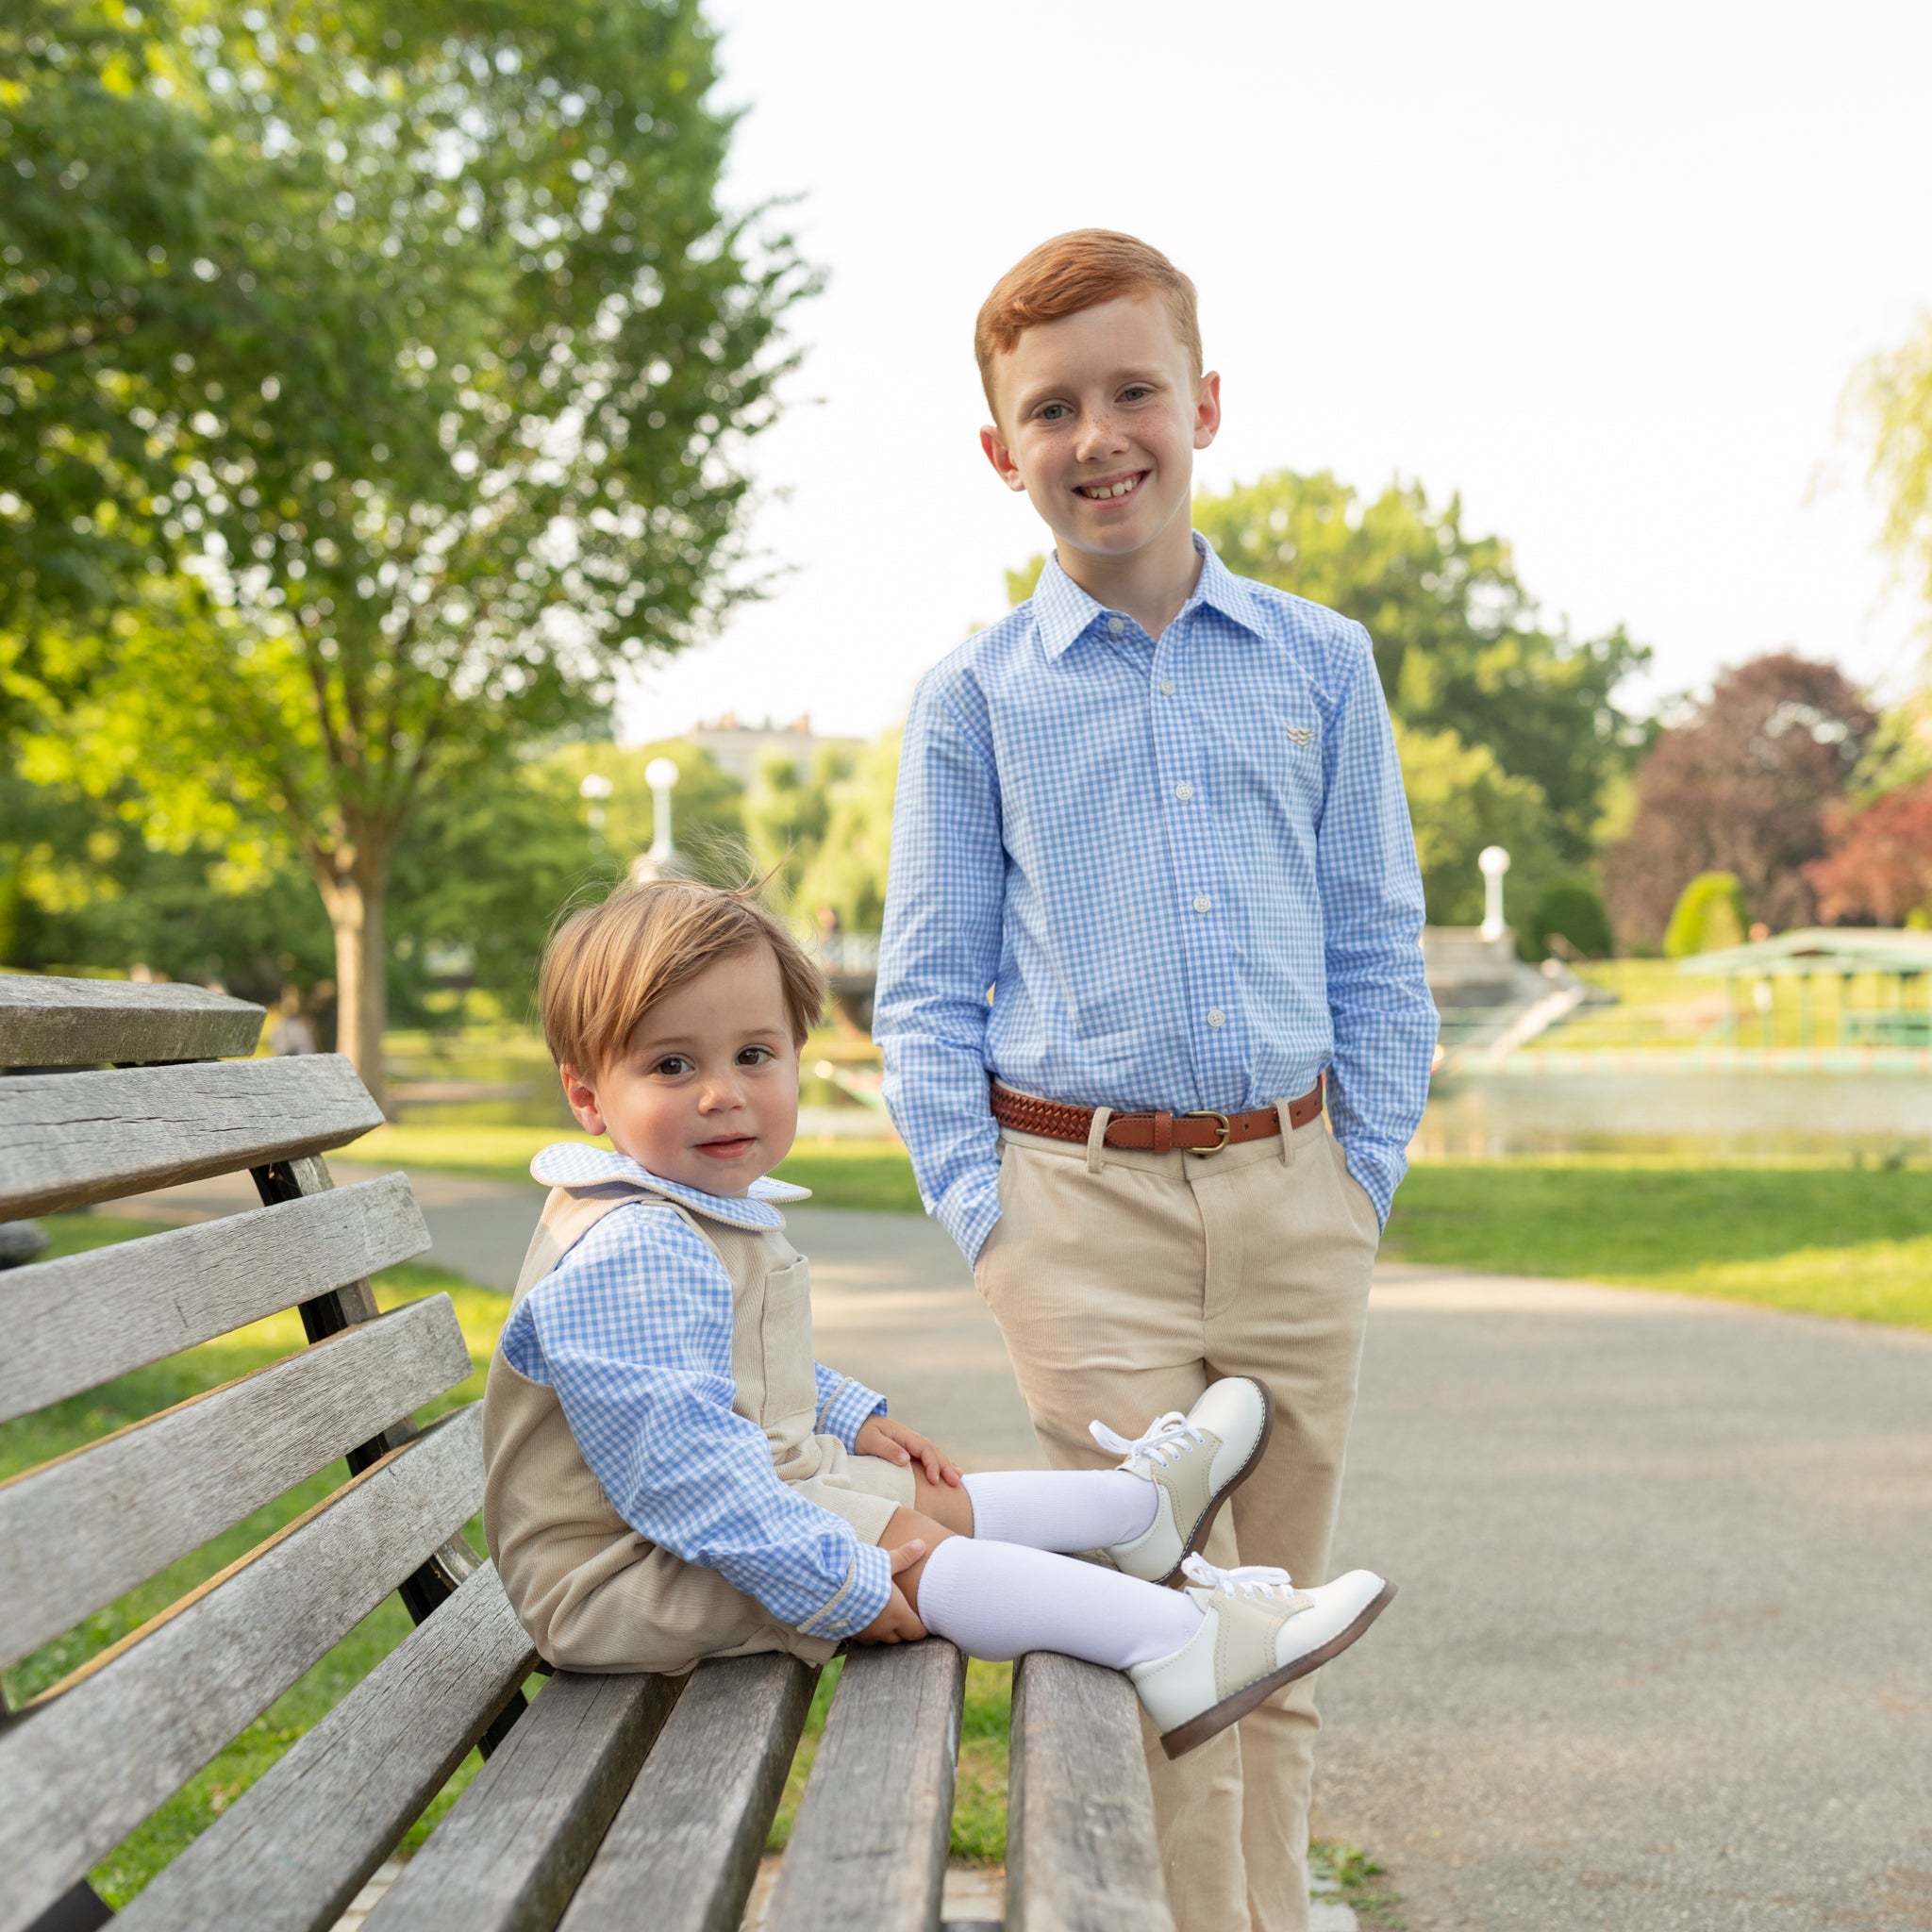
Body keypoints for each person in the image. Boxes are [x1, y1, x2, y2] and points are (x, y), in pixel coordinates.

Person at [872, 231, 1439, 1931]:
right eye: (1051, 407)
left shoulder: (1317, 663)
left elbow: (1374, 946)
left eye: (1131, 390)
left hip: (1292, 1199)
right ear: (1000, 449)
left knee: (1282, 1628)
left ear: (1201, 404)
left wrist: (1360, 1181)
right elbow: (920, 996)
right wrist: (996, 1228)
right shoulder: (971, 700)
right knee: (1163, 1633)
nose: (1096, 433)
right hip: (1079, 1213)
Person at [481, 880, 1392, 1767]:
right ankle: (1182, 1642)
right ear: (589, 1094)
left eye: (753, 1055)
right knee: (908, 1544)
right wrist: (839, 1582)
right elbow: (683, 1479)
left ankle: (1138, 1511)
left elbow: (715, 1368)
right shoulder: (631, 1249)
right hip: (615, 1580)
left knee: (904, 1493)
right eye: (672, 1065)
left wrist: (843, 1414)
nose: (722, 1092)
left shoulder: (680, 1211)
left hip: (689, 1523)